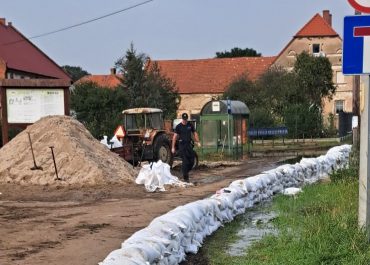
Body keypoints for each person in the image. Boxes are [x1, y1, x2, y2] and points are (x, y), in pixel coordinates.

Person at [171, 113, 201, 183]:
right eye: (184, 119)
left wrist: (198, 141)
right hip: (182, 145)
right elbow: (174, 137)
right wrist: (173, 147)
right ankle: (185, 178)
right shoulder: (178, 127)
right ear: (182, 119)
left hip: (189, 145)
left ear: (187, 119)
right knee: (185, 161)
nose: (185, 121)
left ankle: (185, 171)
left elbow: (195, 133)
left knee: (192, 161)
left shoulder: (190, 125)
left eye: (186, 119)